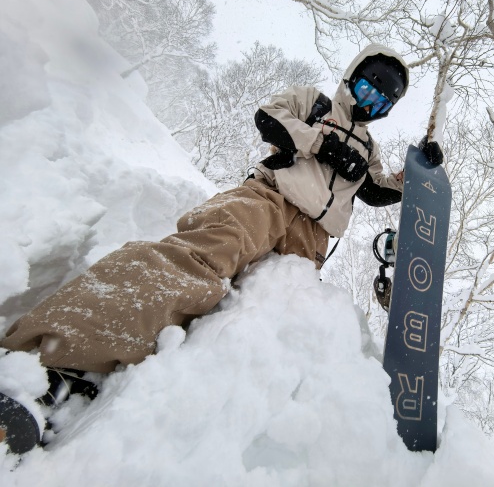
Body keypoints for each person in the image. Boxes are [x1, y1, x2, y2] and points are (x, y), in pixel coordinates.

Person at [1, 45, 443, 381]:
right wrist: (319, 142)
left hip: (312, 239)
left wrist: (414, 176)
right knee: (203, 256)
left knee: (271, 313)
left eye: (383, 102)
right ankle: (48, 352)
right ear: (352, 78)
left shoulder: (369, 149)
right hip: (268, 200)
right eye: (368, 87)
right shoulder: (315, 103)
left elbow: (378, 193)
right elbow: (268, 116)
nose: (371, 102)